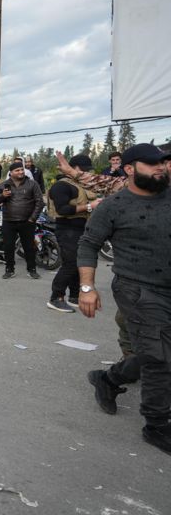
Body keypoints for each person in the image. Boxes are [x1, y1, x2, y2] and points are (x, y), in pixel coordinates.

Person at [77, 143, 171, 454]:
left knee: (156, 352)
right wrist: (87, 288)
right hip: (138, 289)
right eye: (152, 164)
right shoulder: (113, 206)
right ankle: (157, 425)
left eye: (162, 163)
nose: (160, 168)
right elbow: (88, 245)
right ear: (129, 169)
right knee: (159, 358)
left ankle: (108, 379)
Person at [46, 154, 101, 313]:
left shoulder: (81, 184)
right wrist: (90, 206)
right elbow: (62, 210)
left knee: (80, 263)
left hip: (82, 228)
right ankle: (56, 297)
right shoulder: (61, 186)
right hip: (67, 229)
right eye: (85, 169)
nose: (87, 173)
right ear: (75, 168)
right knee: (70, 263)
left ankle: (75, 296)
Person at [0, 161, 44, 280]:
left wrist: (32, 218)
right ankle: (9, 270)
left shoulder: (32, 184)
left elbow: (39, 202)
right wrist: (3, 196)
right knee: (8, 247)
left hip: (27, 221)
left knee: (29, 247)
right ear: (11, 172)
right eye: (17, 170)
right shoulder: (4, 185)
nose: (21, 172)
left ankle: (32, 270)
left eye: (22, 169)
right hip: (8, 221)